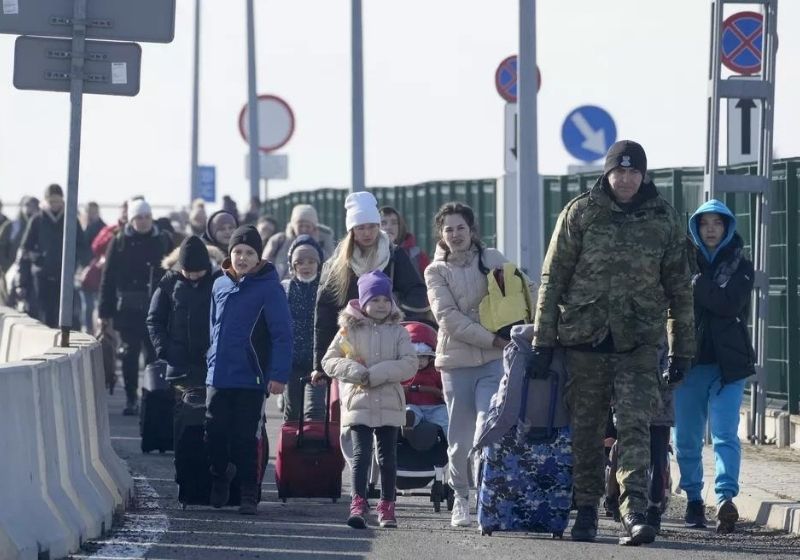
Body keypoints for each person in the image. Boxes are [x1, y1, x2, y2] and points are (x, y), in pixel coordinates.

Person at [529, 140, 694, 545]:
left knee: (636, 426)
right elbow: (553, 280)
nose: (625, 179)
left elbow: (679, 290)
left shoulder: (665, 220)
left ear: (644, 175)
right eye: (618, 172)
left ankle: (635, 511)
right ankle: (585, 510)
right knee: (586, 431)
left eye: (633, 172)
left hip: (638, 343)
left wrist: (681, 349)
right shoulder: (580, 212)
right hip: (585, 340)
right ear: (606, 173)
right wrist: (542, 341)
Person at [424, 202, 509, 528]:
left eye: (461, 228)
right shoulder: (435, 271)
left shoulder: (493, 259)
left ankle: (488, 497)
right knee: (459, 439)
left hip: (493, 362)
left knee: (488, 427)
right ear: (441, 235)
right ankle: (461, 496)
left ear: (472, 230)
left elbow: (522, 292)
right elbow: (449, 319)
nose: (455, 234)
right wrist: (492, 339)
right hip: (456, 363)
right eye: (449, 229)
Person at [674, 199, 755, 534]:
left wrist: (696, 285)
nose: (710, 229)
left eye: (717, 223)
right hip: (688, 364)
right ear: (695, 227)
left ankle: (724, 499)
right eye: (704, 223)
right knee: (688, 439)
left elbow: (728, 303)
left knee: (724, 435)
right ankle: (694, 498)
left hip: (728, 367)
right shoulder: (679, 263)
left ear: (727, 228)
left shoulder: (741, 264)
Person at [205, 225, 292, 515]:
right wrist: (210, 359)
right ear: (230, 254)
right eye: (237, 252)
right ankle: (219, 474)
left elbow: (282, 334)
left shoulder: (270, 288)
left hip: (252, 377)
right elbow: (213, 327)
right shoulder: (219, 284)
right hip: (218, 374)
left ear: (258, 257)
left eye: (249, 253)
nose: (242, 258)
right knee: (214, 432)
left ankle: (248, 492)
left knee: (245, 437)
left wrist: (278, 375)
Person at [322, 270, 417, 529]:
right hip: (358, 400)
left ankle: (387, 505)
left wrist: (377, 374)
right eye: (375, 300)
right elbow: (329, 360)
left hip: (388, 400)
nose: (381, 305)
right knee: (361, 455)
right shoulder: (347, 331)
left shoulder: (398, 332)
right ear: (363, 302)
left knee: (388, 457)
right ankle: (358, 502)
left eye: (385, 300)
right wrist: (356, 372)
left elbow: (410, 363)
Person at [313, 191, 428, 383]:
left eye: (372, 227)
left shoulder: (393, 256)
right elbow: (324, 312)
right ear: (351, 230)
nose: (367, 233)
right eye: (360, 228)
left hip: (388, 346)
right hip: (352, 349)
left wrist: (393, 308)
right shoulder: (339, 264)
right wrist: (319, 365)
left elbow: (416, 293)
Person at [98, 199, 173, 415]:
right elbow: (108, 278)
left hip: (157, 307)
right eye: (139, 217)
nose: (143, 221)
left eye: (147, 217)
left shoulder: (162, 239)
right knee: (129, 355)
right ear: (131, 219)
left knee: (154, 355)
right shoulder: (119, 241)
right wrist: (105, 312)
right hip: (128, 309)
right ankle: (131, 397)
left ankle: (152, 397)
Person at [16, 184, 90, 327]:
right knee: (44, 314)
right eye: (51, 201)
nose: (54, 204)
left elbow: (82, 247)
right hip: (42, 276)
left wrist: (80, 266)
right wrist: (24, 280)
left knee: (66, 316)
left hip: (65, 277)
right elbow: (25, 250)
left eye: (57, 200)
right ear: (45, 201)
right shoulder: (37, 220)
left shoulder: (71, 220)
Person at [146, 236, 214, 389]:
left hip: (210, 366)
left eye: (198, 272)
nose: (193, 276)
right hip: (178, 366)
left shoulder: (217, 282)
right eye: (188, 272)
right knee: (181, 409)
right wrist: (164, 349)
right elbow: (155, 319)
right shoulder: (169, 282)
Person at [281, 234, 326, 421]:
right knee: (292, 409)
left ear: (319, 264)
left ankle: (315, 446)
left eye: (311, 261)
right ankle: (291, 446)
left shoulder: (325, 289)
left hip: (318, 360)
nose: (306, 266)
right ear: (293, 266)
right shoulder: (286, 288)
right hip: (292, 360)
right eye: (300, 262)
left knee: (315, 410)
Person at [263, 204, 336, 280]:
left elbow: (330, 267)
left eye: (307, 226)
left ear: (314, 227)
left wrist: (316, 244)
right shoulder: (279, 240)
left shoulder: (324, 241)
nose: (304, 229)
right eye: (300, 226)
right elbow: (264, 266)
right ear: (293, 226)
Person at [401, 321, 448, 434]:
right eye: (416, 358)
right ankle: (408, 426)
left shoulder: (435, 372)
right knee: (409, 411)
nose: (419, 362)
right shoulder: (403, 372)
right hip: (412, 405)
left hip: (433, 407)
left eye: (423, 358)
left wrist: (442, 393)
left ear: (430, 358)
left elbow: (443, 388)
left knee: (445, 415)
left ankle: (452, 442)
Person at [380, 206, 430, 277]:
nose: (388, 227)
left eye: (394, 223)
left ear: (400, 227)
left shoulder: (417, 256)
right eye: (383, 223)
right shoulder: (368, 253)